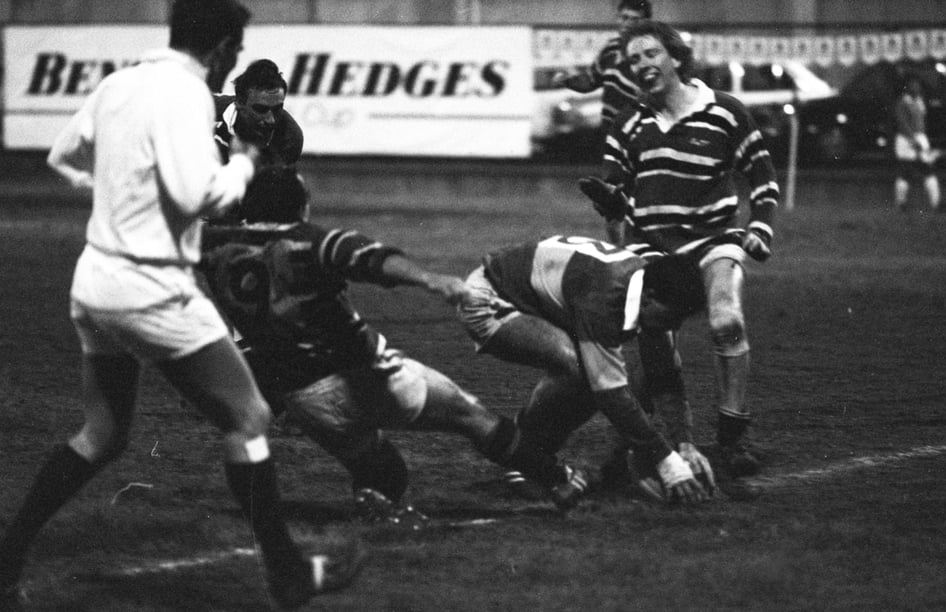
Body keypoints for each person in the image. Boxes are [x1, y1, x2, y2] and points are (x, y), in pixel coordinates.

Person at [0, 2, 362, 610]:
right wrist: (244, 161)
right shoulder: (189, 95)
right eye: (237, 50)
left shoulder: (118, 83)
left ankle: (7, 560)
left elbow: (62, 158)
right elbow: (199, 193)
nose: (235, 60)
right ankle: (289, 575)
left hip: (94, 282)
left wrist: (113, 194)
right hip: (153, 286)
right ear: (221, 47)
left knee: (104, 432)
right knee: (248, 418)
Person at [198, 167, 589, 519]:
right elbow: (372, 259)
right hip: (368, 375)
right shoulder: (311, 242)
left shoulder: (213, 247)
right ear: (302, 206)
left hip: (303, 399)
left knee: (384, 472)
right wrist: (431, 279)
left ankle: (377, 511)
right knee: (471, 417)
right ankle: (559, 480)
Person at [577, 19, 779, 479]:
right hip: (653, 248)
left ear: (674, 57)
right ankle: (667, 439)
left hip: (714, 241)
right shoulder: (627, 123)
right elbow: (615, 189)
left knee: (726, 319)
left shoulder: (725, 111)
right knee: (653, 333)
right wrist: (609, 199)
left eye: (650, 55)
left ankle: (733, 438)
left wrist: (761, 227)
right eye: (633, 61)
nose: (642, 66)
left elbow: (763, 180)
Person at [457, 234, 717, 506]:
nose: (671, 327)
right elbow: (609, 392)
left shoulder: (648, 287)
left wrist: (685, 445)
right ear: (650, 298)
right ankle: (524, 455)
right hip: (490, 297)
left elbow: (665, 376)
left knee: (594, 372)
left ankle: (531, 454)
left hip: (535, 296)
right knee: (583, 371)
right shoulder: (606, 295)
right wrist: (668, 462)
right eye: (670, 318)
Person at [555, 0, 651, 244]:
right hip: (613, 137)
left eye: (634, 18)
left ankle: (644, 252)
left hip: (645, 136)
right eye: (623, 17)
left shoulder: (653, 53)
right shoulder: (610, 50)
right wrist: (568, 80)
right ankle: (619, 255)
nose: (627, 23)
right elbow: (590, 80)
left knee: (646, 197)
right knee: (611, 201)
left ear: (646, 22)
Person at [214, 58, 303, 167]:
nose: (271, 120)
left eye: (277, 109)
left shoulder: (290, 138)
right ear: (240, 102)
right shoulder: (204, 113)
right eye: (261, 109)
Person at [893, 74, 945, 212]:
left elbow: (921, 121)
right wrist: (913, 139)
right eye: (913, 85)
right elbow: (902, 123)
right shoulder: (903, 102)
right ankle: (903, 203)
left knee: (920, 171)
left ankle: (933, 204)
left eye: (918, 84)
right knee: (911, 170)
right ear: (907, 87)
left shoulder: (919, 100)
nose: (916, 87)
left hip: (919, 138)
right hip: (907, 140)